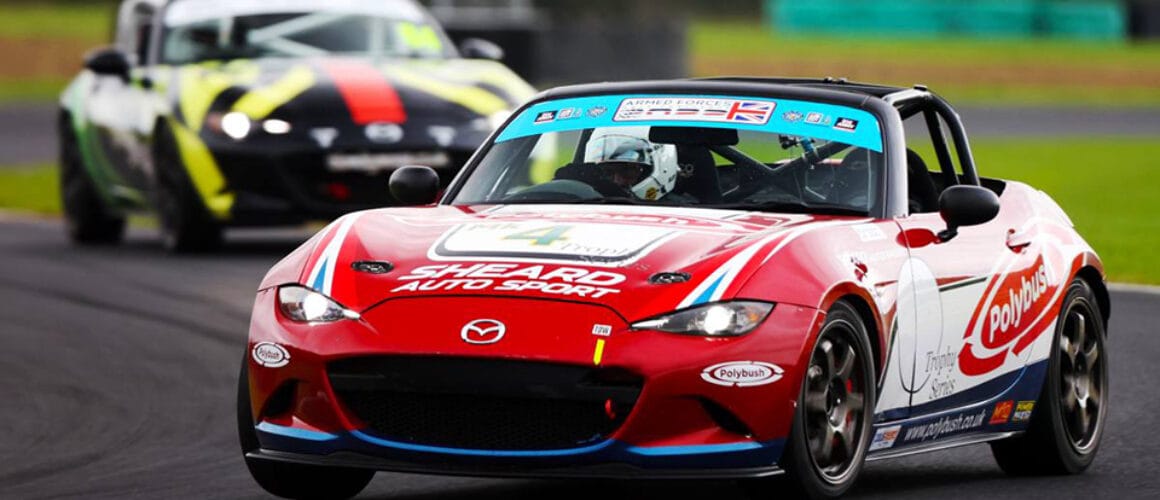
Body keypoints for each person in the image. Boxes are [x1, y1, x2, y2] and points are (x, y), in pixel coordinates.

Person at [582, 127, 681, 201]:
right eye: (608, 173)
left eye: (626, 171)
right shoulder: (588, 204)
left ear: (664, 167)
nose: (617, 181)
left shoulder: (685, 212)